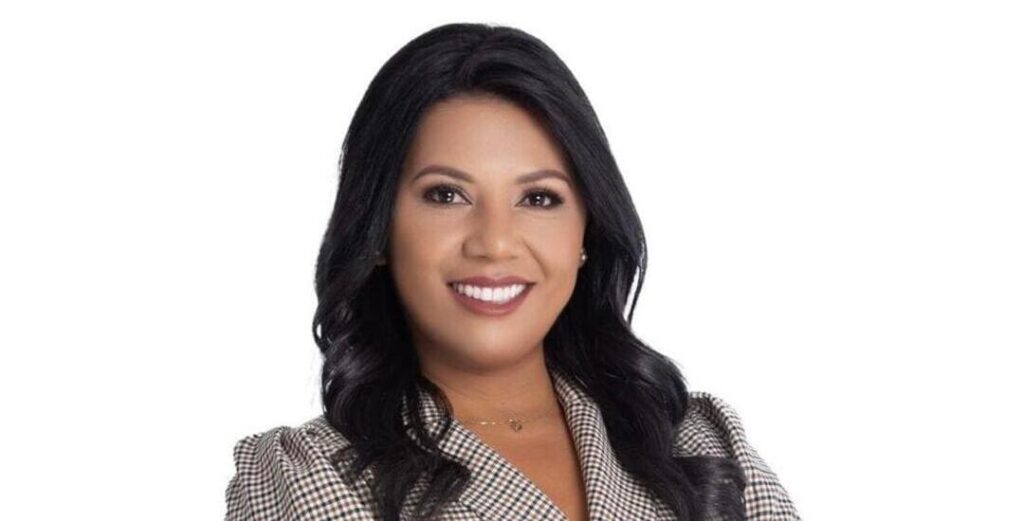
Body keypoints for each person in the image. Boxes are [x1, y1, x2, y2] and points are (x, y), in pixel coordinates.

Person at [225, 22, 799, 521]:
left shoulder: (700, 446)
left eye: (539, 199)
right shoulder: (307, 475)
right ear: (379, 231)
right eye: (446, 195)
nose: (495, 243)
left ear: (586, 233)